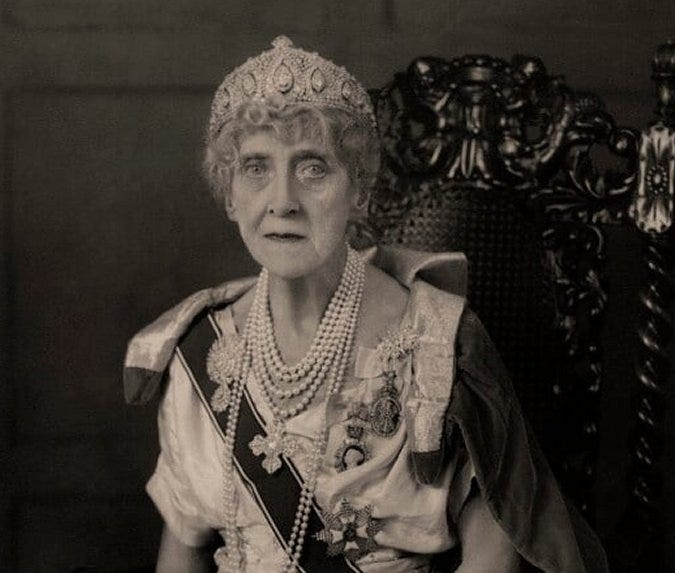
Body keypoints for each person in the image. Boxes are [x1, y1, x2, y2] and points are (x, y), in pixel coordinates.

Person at [123, 37, 608, 573]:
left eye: (312, 168)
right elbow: (183, 544)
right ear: (230, 193)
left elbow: (492, 549)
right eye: (256, 167)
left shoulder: (437, 345)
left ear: (359, 190)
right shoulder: (197, 349)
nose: (282, 201)